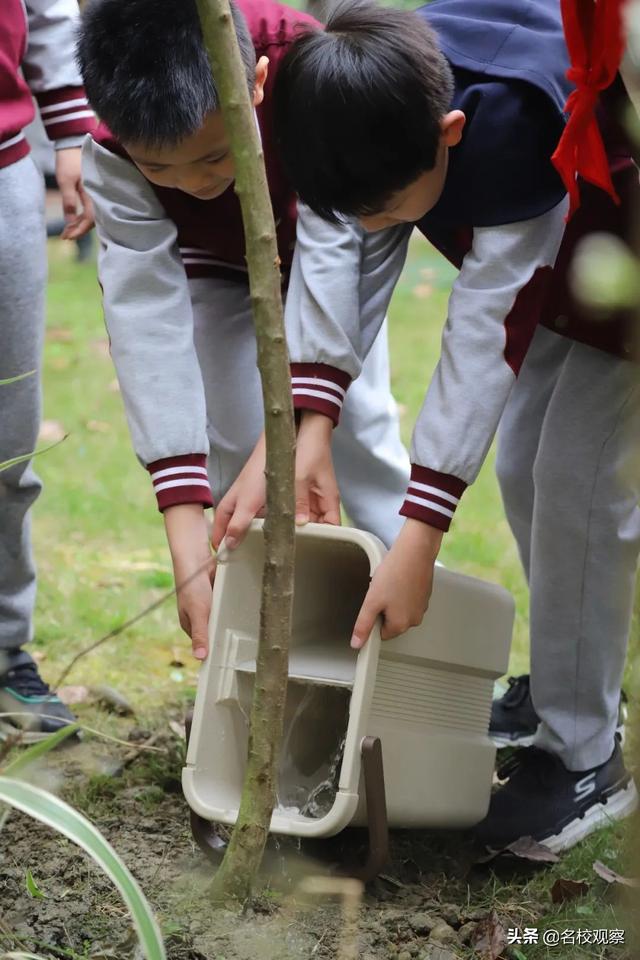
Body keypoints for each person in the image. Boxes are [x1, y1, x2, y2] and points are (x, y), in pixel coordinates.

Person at [220, 0, 640, 851]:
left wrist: (418, 541)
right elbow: (348, 246)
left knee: (576, 478)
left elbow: (485, 335)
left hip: (620, 251)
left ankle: (586, 756)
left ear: (450, 132)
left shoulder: (517, 133)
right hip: (574, 258)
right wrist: (303, 427)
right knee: (527, 462)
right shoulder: (364, 92)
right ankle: (566, 684)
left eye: (388, 206)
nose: (377, 221)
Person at [76, 0, 410, 663]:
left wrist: (301, 421)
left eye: (212, 157)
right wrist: (182, 525)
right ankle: (264, 664)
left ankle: (398, 636)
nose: (193, 184)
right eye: (160, 169)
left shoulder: (308, 68)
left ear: (253, 82)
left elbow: (336, 248)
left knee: (359, 431)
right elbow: (144, 312)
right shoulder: (111, 137)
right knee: (234, 448)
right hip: (211, 266)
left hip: (322, 265)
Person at [0, 0, 95, 741]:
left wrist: (69, 131)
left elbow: (51, 8)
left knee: (7, 441)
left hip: (2, 170)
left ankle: (2, 648)